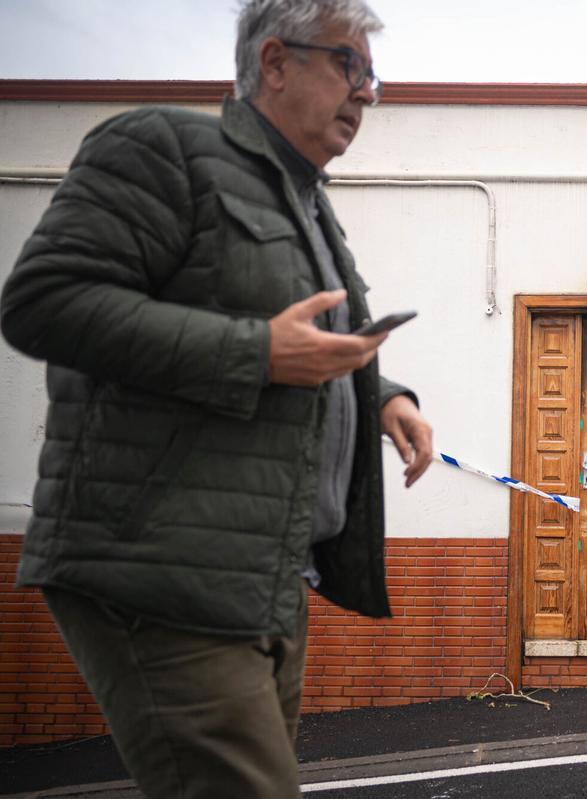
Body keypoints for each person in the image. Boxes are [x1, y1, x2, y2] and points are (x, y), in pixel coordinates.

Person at [0, 1, 432, 795]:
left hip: (269, 575)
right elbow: (43, 300)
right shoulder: (164, 149)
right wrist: (259, 353)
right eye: (350, 65)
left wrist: (380, 398)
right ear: (275, 62)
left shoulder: (306, 201)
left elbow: (302, 331)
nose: (367, 93)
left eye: (373, 75)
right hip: (160, 568)